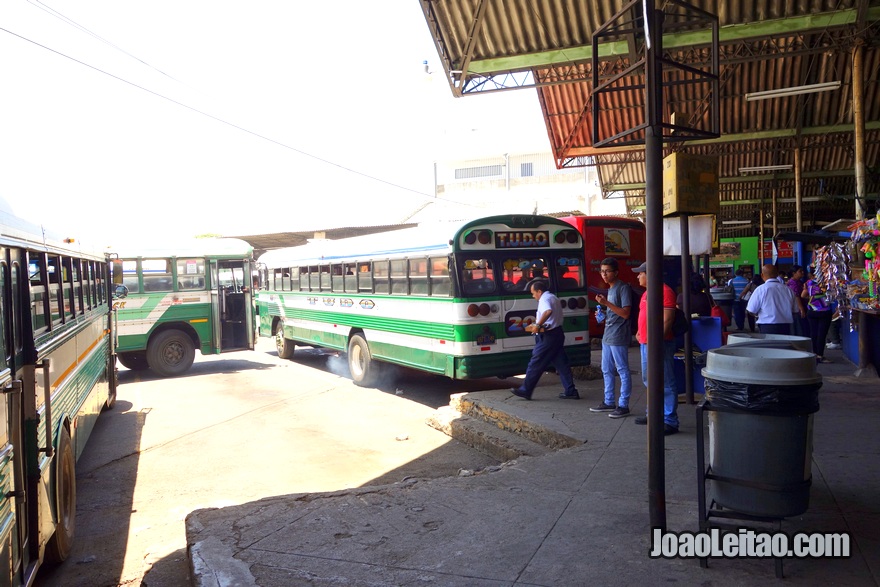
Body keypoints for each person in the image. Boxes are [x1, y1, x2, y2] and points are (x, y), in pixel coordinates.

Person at [511, 280, 580, 400]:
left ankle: (526, 390)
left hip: (548, 336)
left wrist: (538, 325)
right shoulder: (553, 297)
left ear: (539, 291)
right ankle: (570, 390)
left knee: (535, 362)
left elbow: (548, 311)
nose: (533, 296)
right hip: (557, 333)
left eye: (533, 293)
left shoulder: (544, 299)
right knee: (561, 363)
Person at [632, 262, 680, 435]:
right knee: (649, 379)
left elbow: (668, 319)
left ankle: (669, 420)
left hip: (660, 344)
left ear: (649, 274)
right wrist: (639, 332)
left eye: (640, 273)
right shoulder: (646, 293)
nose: (638, 276)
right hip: (646, 342)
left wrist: (657, 341)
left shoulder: (665, 291)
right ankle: (654, 413)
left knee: (665, 381)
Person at [590, 258, 633, 418]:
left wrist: (606, 303)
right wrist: (601, 316)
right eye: (602, 271)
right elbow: (613, 314)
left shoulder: (623, 288)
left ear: (616, 272)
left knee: (622, 369)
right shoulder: (610, 289)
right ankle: (609, 401)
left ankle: (623, 404)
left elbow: (625, 313)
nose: (604, 274)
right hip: (607, 335)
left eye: (607, 271)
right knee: (606, 370)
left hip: (619, 335)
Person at [745, 264, 798, 334]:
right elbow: (795, 310)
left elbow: (751, 310)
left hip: (767, 326)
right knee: (784, 344)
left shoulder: (761, 289)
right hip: (786, 326)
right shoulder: (788, 289)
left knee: (769, 344)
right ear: (777, 274)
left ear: (762, 275)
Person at [802, 268, 833, 362]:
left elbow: (803, 295)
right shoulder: (828, 281)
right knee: (822, 334)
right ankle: (820, 355)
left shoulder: (809, 283)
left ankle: (814, 354)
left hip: (812, 311)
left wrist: (813, 299)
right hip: (825, 311)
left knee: (813, 333)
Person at [787, 265, 809, 337]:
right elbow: (796, 296)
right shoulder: (793, 283)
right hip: (797, 310)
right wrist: (801, 309)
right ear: (794, 273)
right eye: (800, 271)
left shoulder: (799, 282)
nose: (802, 272)